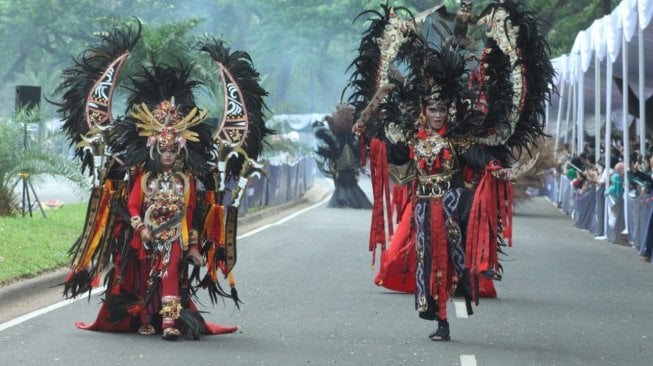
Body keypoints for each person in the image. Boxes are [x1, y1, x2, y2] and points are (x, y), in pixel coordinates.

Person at [347, 0, 553, 341]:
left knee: (450, 263)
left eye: (443, 109)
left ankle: (458, 294)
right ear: (424, 110)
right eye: (433, 109)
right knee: (429, 264)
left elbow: (479, 157)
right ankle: (440, 318)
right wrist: (371, 124)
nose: (438, 114)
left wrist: (498, 169)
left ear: (449, 111)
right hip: (425, 210)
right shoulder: (413, 137)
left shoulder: (458, 139)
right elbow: (396, 158)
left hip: (454, 206)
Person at [55, 22, 271, 340]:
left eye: (173, 149)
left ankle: (168, 323)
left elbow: (195, 212)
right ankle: (144, 315)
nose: (168, 153)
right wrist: (140, 229)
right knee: (140, 275)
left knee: (170, 275)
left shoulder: (186, 179)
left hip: (173, 237)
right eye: (164, 148)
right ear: (155, 146)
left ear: (180, 148)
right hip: (142, 236)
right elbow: (130, 204)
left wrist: (196, 246)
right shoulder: (143, 175)